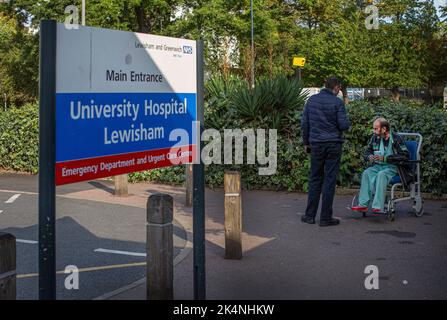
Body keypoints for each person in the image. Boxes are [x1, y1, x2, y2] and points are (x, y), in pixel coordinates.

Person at [300, 77, 351, 226]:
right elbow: (343, 126)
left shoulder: (311, 101)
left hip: (316, 144)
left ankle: (309, 216)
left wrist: (306, 143)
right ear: (335, 88)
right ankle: (325, 218)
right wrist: (347, 123)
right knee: (329, 180)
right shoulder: (337, 102)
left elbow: (305, 124)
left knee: (315, 178)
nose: (339, 91)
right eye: (339, 88)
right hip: (333, 144)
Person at [351, 117, 409, 213]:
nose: (374, 131)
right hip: (378, 166)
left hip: (392, 167)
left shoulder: (396, 138)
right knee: (366, 173)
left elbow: (405, 155)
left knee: (381, 174)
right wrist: (370, 156)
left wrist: (386, 158)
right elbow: (367, 152)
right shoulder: (375, 137)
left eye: (376, 128)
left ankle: (378, 206)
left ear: (384, 129)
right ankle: (363, 205)